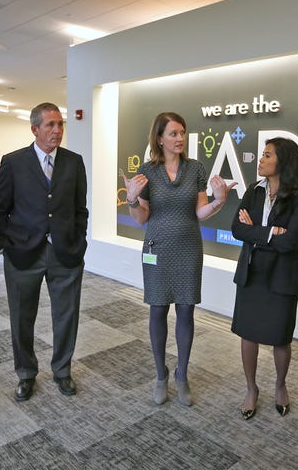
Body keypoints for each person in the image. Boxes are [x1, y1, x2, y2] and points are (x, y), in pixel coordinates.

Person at [122, 112, 235, 406]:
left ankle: (181, 375)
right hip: (157, 248)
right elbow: (141, 218)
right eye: (173, 133)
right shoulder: (147, 171)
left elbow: (199, 211)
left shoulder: (196, 168)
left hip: (188, 248)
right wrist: (132, 199)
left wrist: (219, 201)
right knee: (157, 310)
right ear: (159, 138)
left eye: (182, 132)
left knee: (186, 310)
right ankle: (161, 376)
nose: (180, 138)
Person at [0, 102, 88, 402]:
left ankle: (62, 371)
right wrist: (5, 245)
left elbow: (79, 209)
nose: (57, 130)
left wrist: (78, 241)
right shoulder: (13, 161)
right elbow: (0, 211)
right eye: (50, 125)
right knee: (22, 317)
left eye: (61, 124)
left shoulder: (74, 162)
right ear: (35, 129)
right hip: (23, 254)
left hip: (65, 253)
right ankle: (25, 374)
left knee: (66, 316)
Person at [230, 137, 298, 420]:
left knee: (280, 336)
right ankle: (251, 389)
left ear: (283, 161)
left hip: (282, 274)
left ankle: (280, 385)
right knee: (248, 334)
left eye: (267, 155)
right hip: (251, 271)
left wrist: (258, 232)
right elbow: (236, 229)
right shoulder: (254, 190)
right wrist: (269, 233)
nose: (261, 160)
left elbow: (291, 241)